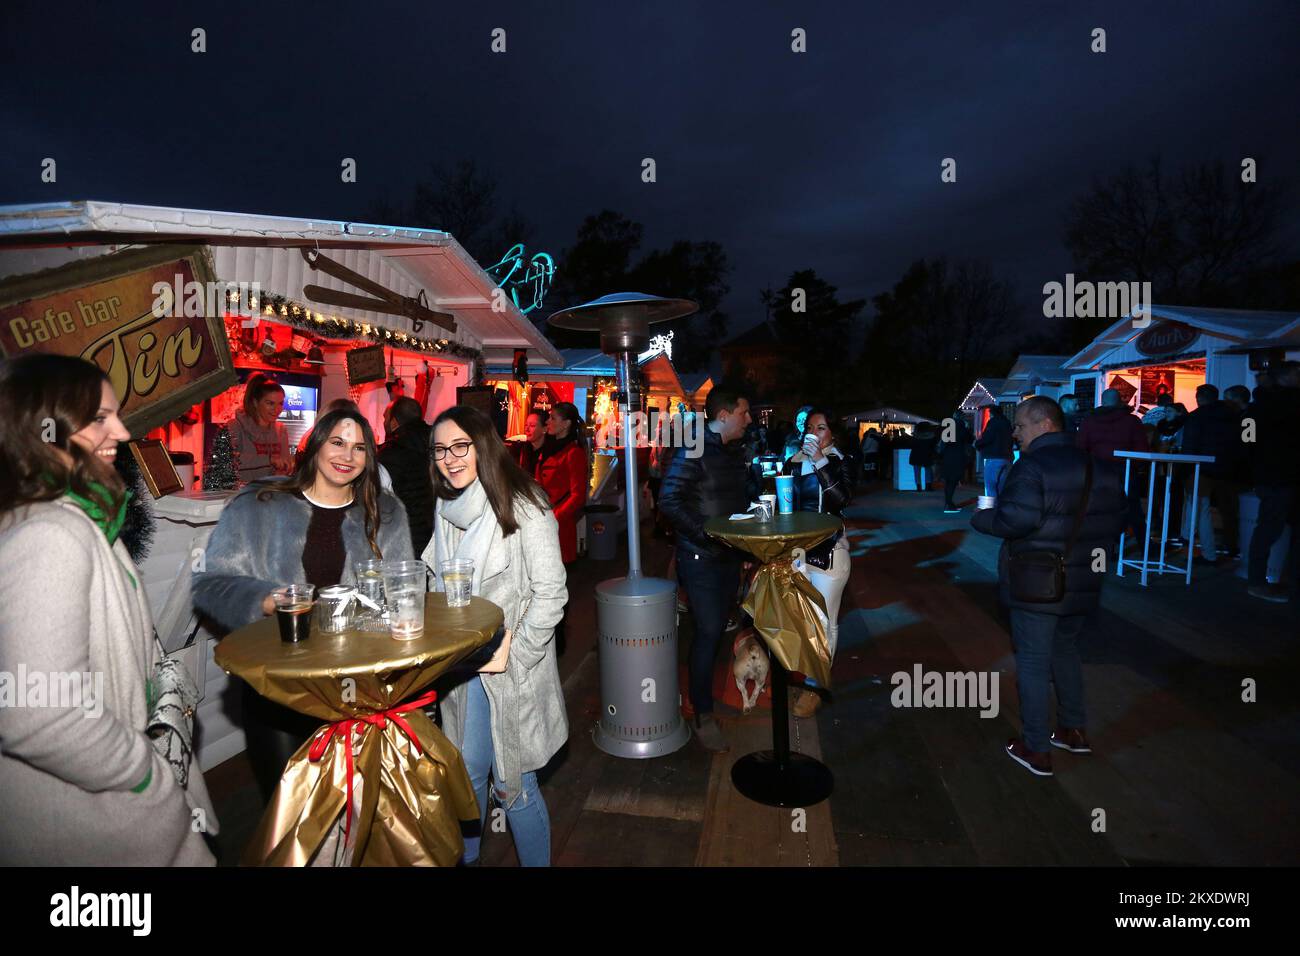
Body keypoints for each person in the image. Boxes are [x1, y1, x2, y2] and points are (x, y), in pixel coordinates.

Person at [0, 354, 217, 864]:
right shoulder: (52, 533)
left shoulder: (72, 517)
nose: (121, 429)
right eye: (99, 417)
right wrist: (145, 773)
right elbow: (38, 712)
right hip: (100, 824)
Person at [193, 408, 413, 804]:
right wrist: (260, 599)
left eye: (360, 448)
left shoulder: (386, 514)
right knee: (289, 806)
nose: (347, 455)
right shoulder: (259, 503)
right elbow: (210, 584)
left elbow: (399, 599)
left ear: (369, 459)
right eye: (338, 442)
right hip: (277, 685)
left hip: (353, 688)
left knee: (351, 807)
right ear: (315, 445)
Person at [423, 405, 568, 866]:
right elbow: (436, 585)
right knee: (465, 778)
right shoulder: (448, 509)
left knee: (513, 784)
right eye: (441, 449)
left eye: (461, 446)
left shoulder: (524, 503)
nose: (450, 458)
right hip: (460, 666)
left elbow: (551, 593)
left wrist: (516, 655)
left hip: (509, 675)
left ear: (484, 445)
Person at [971, 397, 1126, 776]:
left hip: (1037, 583)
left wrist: (982, 518)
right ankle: (1073, 729)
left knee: (1034, 662)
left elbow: (1014, 522)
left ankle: (1036, 748)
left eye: (1020, 427)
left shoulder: (1032, 468)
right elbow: (1121, 520)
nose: (1016, 435)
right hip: (1085, 582)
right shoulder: (1100, 468)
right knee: (1066, 651)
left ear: (1043, 423)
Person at [659, 388, 751, 753]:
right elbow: (669, 499)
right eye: (744, 411)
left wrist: (745, 541)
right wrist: (708, 533)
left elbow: (736, 498)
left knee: (717, 634)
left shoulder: (734, 451)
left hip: (728, 556)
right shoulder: (695, 445)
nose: (748, 418)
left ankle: (705, 702)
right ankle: (702, 713)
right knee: (710, 632)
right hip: (700, 557)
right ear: (725, 413)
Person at [782, 408, 852, 718]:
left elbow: (840, 499)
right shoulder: (793, 463)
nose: (814, 433)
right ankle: (806, 673)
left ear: (832, 434)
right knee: (801, 618)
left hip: (829, 552)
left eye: (821, 428)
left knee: (825, 622)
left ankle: (815, 686)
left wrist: (820, 462)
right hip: (798, 553)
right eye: (810, 427)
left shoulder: (838, 462)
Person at [1243, 361, 1300, 602]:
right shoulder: (1291, 404)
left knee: (1268, 528)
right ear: (1285, 378)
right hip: (1285, 475)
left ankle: (1258, 580)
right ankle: (1271, 582)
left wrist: (1254, 471)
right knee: (1273, 529)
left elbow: (1247, 442)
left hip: (1270, 476)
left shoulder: (1254, 410)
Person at [1178, 385, 1240, 564]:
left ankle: (1208, 552)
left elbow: (1189, 445)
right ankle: (1232, 547)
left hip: (1202, 468)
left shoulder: (1196, 417)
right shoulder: (1233, 416)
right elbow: (1244, 441)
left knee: (1201, 509)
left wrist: (1186, 469)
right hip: (1228, 468)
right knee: (1229, 512)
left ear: (1199, 398)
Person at [378, 396, 435, 555]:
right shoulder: (439, 442)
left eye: (385, 418)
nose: (383, 422)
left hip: (406, 539)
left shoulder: (390, 453)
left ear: (394, 422)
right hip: (437, 536)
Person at [226, 372, 292, 481]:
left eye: (280, 403)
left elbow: (284, 464)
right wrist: (268, 460)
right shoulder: (235, 426)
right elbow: (228, 461)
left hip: (270, 493)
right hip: (243, 494)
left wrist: (285, 467)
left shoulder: (281, 430)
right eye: (270, 403)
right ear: (255, 402)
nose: (277, 409)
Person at [937, 412, 974, 512]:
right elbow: (970, 440)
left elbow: (943, 443)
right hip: (957, 457)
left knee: (948, 481)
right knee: (953, 481)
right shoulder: (962, 428)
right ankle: (949, 504)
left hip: (947, 457)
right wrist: (967, 428)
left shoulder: (948, 427)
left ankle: (948, 502)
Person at [975, 405, 1013, 497]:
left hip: (993, 457)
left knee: (991, 487)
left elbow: (988, 438)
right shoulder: (1007, 423)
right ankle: (1002, 508)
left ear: (992, 413)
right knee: (1002, 487)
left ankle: (992, 510)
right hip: (1006, 457)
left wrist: (977, 444)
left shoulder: (993, 422)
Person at [511, 408, 548, 476]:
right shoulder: (520, 450)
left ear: (544, 429)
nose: (527, 429)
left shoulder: (550, 454)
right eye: (526, 425)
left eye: (532, 425)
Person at [908, 422, 937, 491]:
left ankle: (918, 487)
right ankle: (928, 486)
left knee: (917, 472)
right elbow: (934, 446)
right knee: (928, 471)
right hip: (927, 455)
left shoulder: (915, 437)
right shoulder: (932, 436)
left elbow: (911, 445)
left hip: (916, 455)